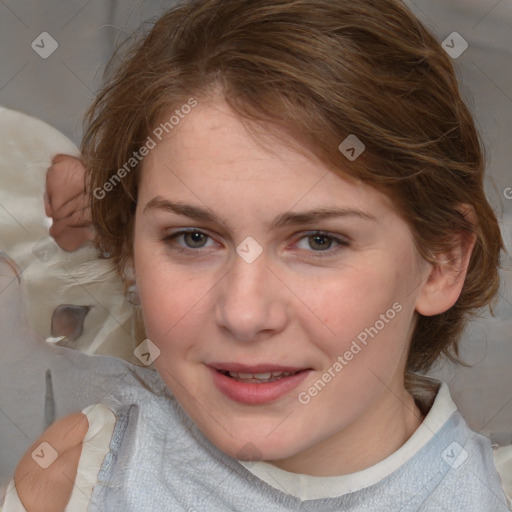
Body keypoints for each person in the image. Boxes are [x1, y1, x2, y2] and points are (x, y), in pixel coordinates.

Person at [4, 0, 511, 510]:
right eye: (193, 238)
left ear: (442, 263)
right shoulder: (75, 478)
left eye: (319, 241)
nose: (244, 314)